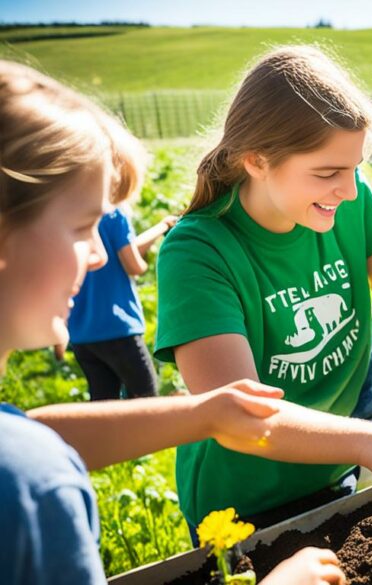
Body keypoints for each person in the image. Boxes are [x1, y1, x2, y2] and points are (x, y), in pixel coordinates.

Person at [0, 59, 349, 585]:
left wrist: (204, 414)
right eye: (80, 228)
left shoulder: (25, 455)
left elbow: (26, 431)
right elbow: (27, 452)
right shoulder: (32, 486)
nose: (98, 256)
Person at [155, 46, 372, 534]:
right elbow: (243, 418)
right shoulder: (198, 253)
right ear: (256, 160)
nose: (350, 189)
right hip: (243, 506)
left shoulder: (345, 201)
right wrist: (369, 442)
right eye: (327, 172)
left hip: (331, 467)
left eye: (352, 168)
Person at [66, 205, 176, 401]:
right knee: (147, 402)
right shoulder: (114, 214)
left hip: (82, 334)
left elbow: (125, 249)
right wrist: (145, 263)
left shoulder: (70, 214)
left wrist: (161, 226)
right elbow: (132, 264)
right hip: (117, 327)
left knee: (104, 407)